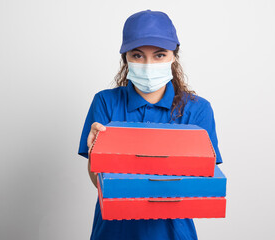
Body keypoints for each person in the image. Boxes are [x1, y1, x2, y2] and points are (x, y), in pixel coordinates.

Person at [78, 10, 222, 240]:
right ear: (125, 57)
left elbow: (201, 185)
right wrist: (98, 156)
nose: (147, 65)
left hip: (173, 233)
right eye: (137, 55)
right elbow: (100, 182)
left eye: (159, 55)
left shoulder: (197, 109)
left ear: (174, 56)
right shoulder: (105, 102)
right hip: (114, 232)